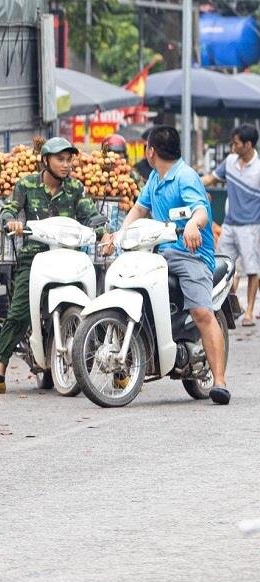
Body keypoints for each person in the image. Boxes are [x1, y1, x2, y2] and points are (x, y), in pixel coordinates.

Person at [0, 137, 110, 394]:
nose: (66, 164)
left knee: (96, 306)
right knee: (18, 313)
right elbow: (10, 209)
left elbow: (90, 214)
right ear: (45, 160)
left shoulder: (75, 188)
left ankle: (115, 368)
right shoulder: (26, 184)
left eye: (69, 159)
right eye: (60, 159)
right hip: (34, 259)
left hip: (68, 256)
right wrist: (11, 222)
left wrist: (104, 232)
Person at [115, 125, 229, 404]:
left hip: (193, 257)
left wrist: (192, 224)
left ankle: (221, 382)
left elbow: (201, 209)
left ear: (150, 151)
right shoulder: (156, 177)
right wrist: (119, 234)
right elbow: (140, 208)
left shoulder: (186, 177)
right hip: (162, 253)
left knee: (202, 312)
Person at [203, 124, 260, 326]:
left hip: (251, 227)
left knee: (252, 270)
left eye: (235, 143)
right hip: (228, 225)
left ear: (248, 144)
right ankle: (234, 306)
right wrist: (193, 184)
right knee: (221, 266)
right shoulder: (229, 162)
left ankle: (249, 312)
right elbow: (210, 178)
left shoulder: (258, 169)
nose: (232, 146)